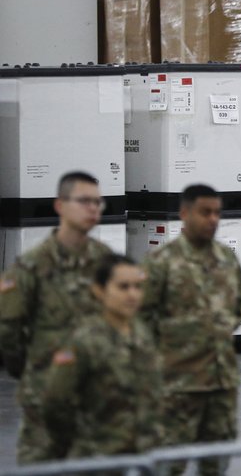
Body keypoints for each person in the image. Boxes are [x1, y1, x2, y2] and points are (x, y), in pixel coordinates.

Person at [0, 171, 112, 463]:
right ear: (60, 205)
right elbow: (8, 331)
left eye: (98, 203)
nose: (93, 209)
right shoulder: (31, 265)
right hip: (45, 402)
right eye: (84, 201)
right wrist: (35, 370)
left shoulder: (106, 262)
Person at [141, 184, 241, 476]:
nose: (212, 219)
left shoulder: (227, 259)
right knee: (169, 463)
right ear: (185, 213)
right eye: (205, 212)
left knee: (216, 462)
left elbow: (239, 307)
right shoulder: (162, 263)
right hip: (177, 385)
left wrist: (214, 329)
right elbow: (140, 318)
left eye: (216, 213)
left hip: (221, 384)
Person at [42, 254, 162, 459]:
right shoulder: (82, 341)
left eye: (137, 287)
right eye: (123, 287)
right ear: (99, 290)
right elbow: (56, 403)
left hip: (142, 455)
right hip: (98, 458)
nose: (133, 295)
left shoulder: (142, 334)